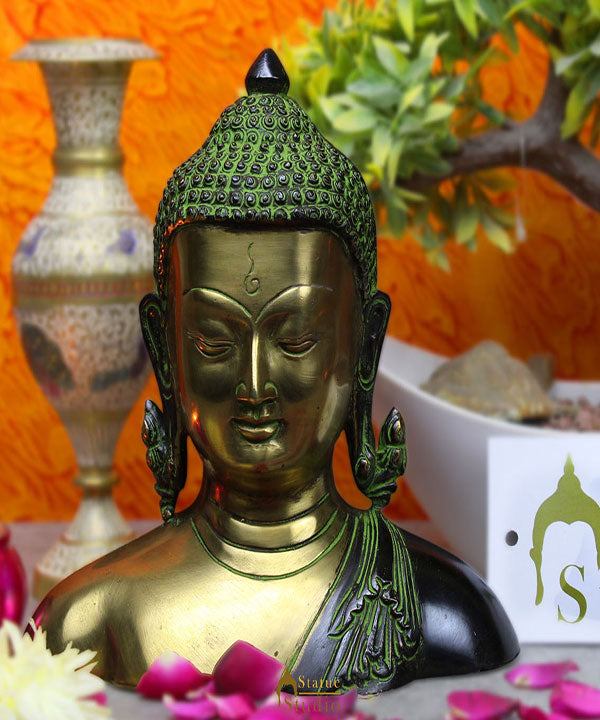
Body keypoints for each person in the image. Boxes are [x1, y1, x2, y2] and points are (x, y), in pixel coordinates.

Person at [33, 49, 518, 693]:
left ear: (363, 344)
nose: (255, 385)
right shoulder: (92, 620)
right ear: (165, 348)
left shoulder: (436, 609)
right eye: (213, 341)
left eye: (295, 340)